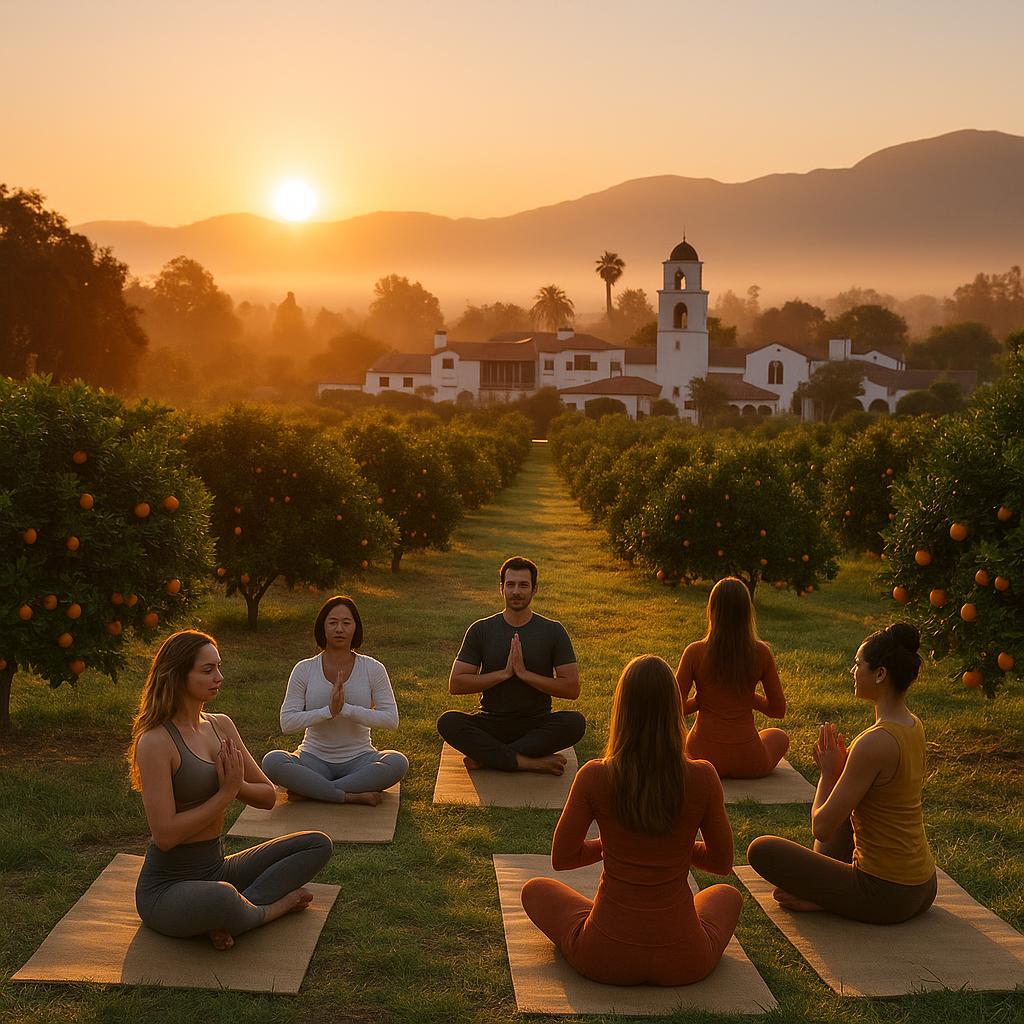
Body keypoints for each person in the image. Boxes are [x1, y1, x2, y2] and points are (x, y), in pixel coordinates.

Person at [520, 655, 742, 986]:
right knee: (726, 894)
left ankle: (607, 925)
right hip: (684, 961)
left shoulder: (595, 776)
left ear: (621, 710)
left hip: (604, 957)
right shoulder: (702, 777)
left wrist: (613, 846)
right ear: (675, 710)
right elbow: (721, 863)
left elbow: (563, 858)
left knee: (535, 889)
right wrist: (674, 850)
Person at [129, 630, 333, 950]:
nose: (219, 677)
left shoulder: (220, 725)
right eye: (208, 670)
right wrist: (225, 794)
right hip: (167, 887)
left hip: (217, 866)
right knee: (222, 895)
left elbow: (267, 796)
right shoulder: (156, 741)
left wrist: (236, 787)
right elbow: (165, 835)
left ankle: (233, 913)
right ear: (178, 675)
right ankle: (269, 909)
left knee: (317, 844)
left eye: (218, 667)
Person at [746, 622, 937, 924]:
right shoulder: (913, 724)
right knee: (844, 814)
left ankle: (824, 898)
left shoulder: (873, 742)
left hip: (886, 894)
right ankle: (826, 893)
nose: (853, 671)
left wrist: (828, 773)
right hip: (924, 885)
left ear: (880, 674)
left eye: (858, 664)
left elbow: (821, 827)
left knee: (761, 849)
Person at [437, 556, 585, 774]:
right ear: (501, 588)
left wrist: (525, 674)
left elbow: (572, 689)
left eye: (523, 585)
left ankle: (489, 757)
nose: (516, 591)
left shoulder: (553, 631)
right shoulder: (481, 630)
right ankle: (530, 762)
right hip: (492, 723)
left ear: (534, 589)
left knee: (575, 722)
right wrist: (504, 674)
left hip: (537, 724)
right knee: (448, 721)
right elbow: (456, 684)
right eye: (510, 585)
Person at [262, 596, 409, 805]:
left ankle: (312, 790)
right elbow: (287, 723)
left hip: (359, 760)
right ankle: (349, 795)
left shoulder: (373, 668)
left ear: (356, 628)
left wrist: (346, 709)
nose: (339, 629)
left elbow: (391, 720)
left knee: (397, 762)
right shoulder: (304, 669)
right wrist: (328, 712)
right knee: (272, 761)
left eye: (346, 623)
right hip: (313, 759)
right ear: (322, 627)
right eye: (332, 622)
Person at [675, 577, 789, 779]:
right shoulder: (761, 653)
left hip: (701, 758)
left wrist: (700, 701)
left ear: (711, 611)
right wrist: (749, 698)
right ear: (747, 614)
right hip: (749, 761)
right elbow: (777, 710)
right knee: (779, 736)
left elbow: (674, 707)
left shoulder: (695, 652)